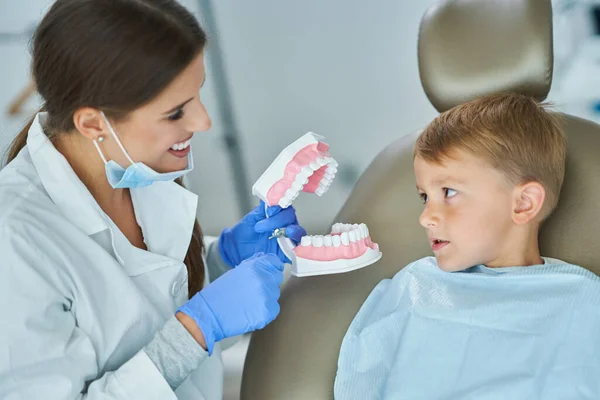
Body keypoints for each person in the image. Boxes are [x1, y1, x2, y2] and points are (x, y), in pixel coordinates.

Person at [0, 1, 306, 399]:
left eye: (196, 94)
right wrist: (196, 330)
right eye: (176, 112)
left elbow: (149, 299)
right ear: (93, 123)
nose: (203, 122)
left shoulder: (136, 166)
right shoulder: (15, 241)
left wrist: (221, 261)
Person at [334, 93, 600, 399]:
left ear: (523, 203)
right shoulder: (413, 286)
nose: (426, 217)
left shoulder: (582, 301)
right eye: (425, 196)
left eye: (448, 191)